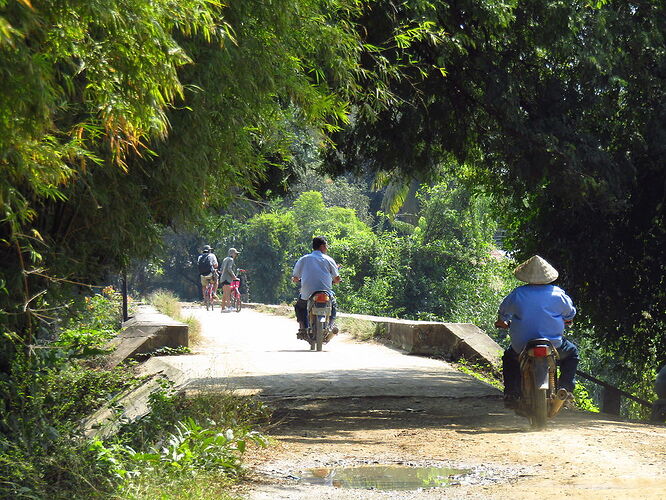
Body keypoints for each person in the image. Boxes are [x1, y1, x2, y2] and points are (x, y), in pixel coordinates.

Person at [494, 255, 578, 407]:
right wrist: (567, 319)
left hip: (522, 345)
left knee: (509, 358)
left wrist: (503, 322)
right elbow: (570, 314)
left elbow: (503, 312)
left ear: (527, 277)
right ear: (548, 276)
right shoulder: (558, 294)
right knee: (572, 354)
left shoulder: (517, 294)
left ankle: (511, 393)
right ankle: (565, 389)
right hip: (553, 344)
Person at [292, 236, 340, 341]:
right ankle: (331, 326)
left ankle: (303, 327)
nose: (327, 248)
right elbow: (336, 278)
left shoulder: (304, 259)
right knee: (333, 306)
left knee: (300, 307)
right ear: (322, 246)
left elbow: (295, 277)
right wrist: (336, 281)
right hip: (326, 293)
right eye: (326, 246)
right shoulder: (329, 259)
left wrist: (297, 280)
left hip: (307, 293)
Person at [219, 247, 241, 311]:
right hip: (227, 279)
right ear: (232, 254)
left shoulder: (225, 259)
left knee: (225, 294)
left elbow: (222, 269)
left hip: (223, 278)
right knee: (228, 293)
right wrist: (234, 277)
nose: (236, 255)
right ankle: (229, 307)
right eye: (235, 254)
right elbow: (229, 269)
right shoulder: (231, 260)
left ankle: (223, 307)